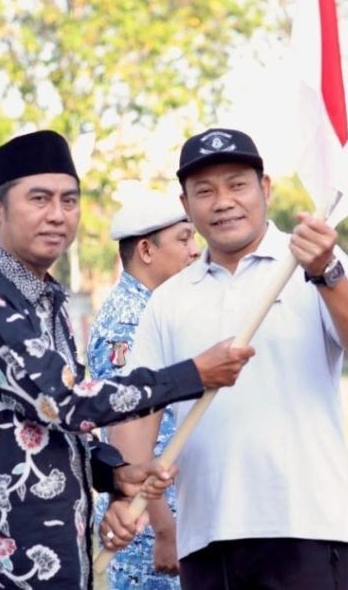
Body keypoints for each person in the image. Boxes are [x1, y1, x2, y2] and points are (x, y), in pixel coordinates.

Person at [0, 130, 255, 590]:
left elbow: (44, 426)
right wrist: (193, 374)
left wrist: (110, 473)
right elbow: (64, 403)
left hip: (63, 554)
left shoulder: (45, 299)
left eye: (69, 201)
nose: (57, 215)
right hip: (5, 559)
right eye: (39, 199)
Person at [114, 128, 348, 590]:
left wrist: (326, 273)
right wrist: (127, 491)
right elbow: (138, 408)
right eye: (205, 191)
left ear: (265, 189)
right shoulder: (169, 299)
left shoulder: (316, 262)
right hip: (207, 536)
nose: (223, 201)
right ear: (186, 205)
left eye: (237, 184)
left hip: (307, 528)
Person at [90, 188, 199, 589]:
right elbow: (127, 438)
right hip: (149, 522)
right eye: (184, 238)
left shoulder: (156, 310)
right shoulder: (129, 324)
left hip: (170, 512)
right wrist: (165, 527)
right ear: (146, 251)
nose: (194, 251)